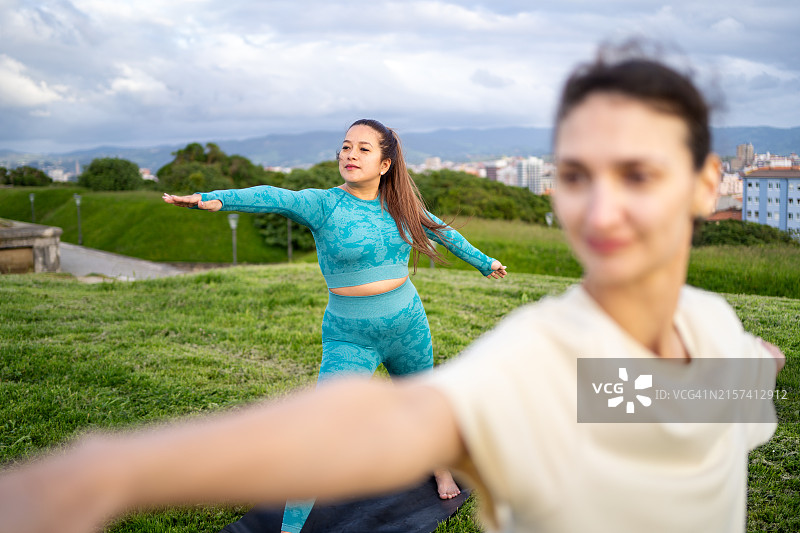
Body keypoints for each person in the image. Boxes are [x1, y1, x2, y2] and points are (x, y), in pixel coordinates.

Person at [0, 48, 786, 533]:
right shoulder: (541, 357)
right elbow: (380, 428)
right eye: (576, 175)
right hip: (354, 330)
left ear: (706, 184)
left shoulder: (701, 333)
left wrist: (744, 367)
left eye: (638, 172)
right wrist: (104, 474)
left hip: (411, 321)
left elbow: (711, 391)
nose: (603, 206)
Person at [162, 118, 507, 533]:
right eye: (346, 147)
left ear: (385, 164)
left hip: (407, 323)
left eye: (363, 149)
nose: (350, 155)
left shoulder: (401, 205)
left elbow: (445, 233)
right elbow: (274, 197)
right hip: (350, 335)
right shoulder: (324, 204)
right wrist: (213, 199)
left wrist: (485, 263)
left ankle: (439, 468)